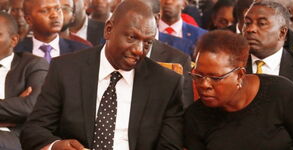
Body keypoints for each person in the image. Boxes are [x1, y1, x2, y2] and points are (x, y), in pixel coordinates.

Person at [20, 0, 184, 150]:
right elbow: (34, 130)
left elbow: (170, 147)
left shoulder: (166, 84)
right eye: (132, 37)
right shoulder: (65, 69)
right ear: (108, 30)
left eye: (147, 42)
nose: (139, 50)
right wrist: (56, 146)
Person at [184, 29, 293, 150]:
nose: (204, 84)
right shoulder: (195, 117)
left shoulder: (281, 93)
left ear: (239, 75)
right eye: (198, 75)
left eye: (215, 78)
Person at [0, 12, 48, 150]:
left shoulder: (33, 65)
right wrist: (13, 106)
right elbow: (20, 107)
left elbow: (31, 106)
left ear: (13, 40)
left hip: (15, 137)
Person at [242, 1, 293, 87]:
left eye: (261, 23)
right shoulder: (231, 63)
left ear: (282, 33)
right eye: (247, 23)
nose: (250, 29)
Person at [14, 0, 89, 63]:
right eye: (45, 11)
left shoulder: (82, 51)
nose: (55, 15)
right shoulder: (15, 52)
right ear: (29, 20)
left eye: (57, 9)